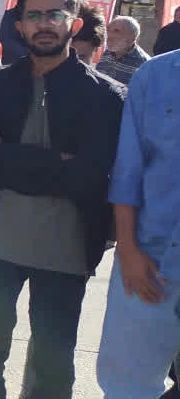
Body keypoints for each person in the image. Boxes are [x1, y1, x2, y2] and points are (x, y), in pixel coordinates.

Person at [0, 0, 125, 399]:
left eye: (54, 15)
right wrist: (54, 162)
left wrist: (8, 156)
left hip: (67, 246)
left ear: (75, 24)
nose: (43, 24)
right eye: (33, 16)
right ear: (20, 27)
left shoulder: (106, 97)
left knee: (53, 361)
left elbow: (88, 175)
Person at [95, 49, 180, 398]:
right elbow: (128, 171)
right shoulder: (156, 75)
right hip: (149, 259)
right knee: (127, 387)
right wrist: (128, 250)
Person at [97, 15, 150, 84]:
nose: (109, 35)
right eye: (108, 29)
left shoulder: (144, 64)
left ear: (132, 37)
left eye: (116, 31)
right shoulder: (107, 53)